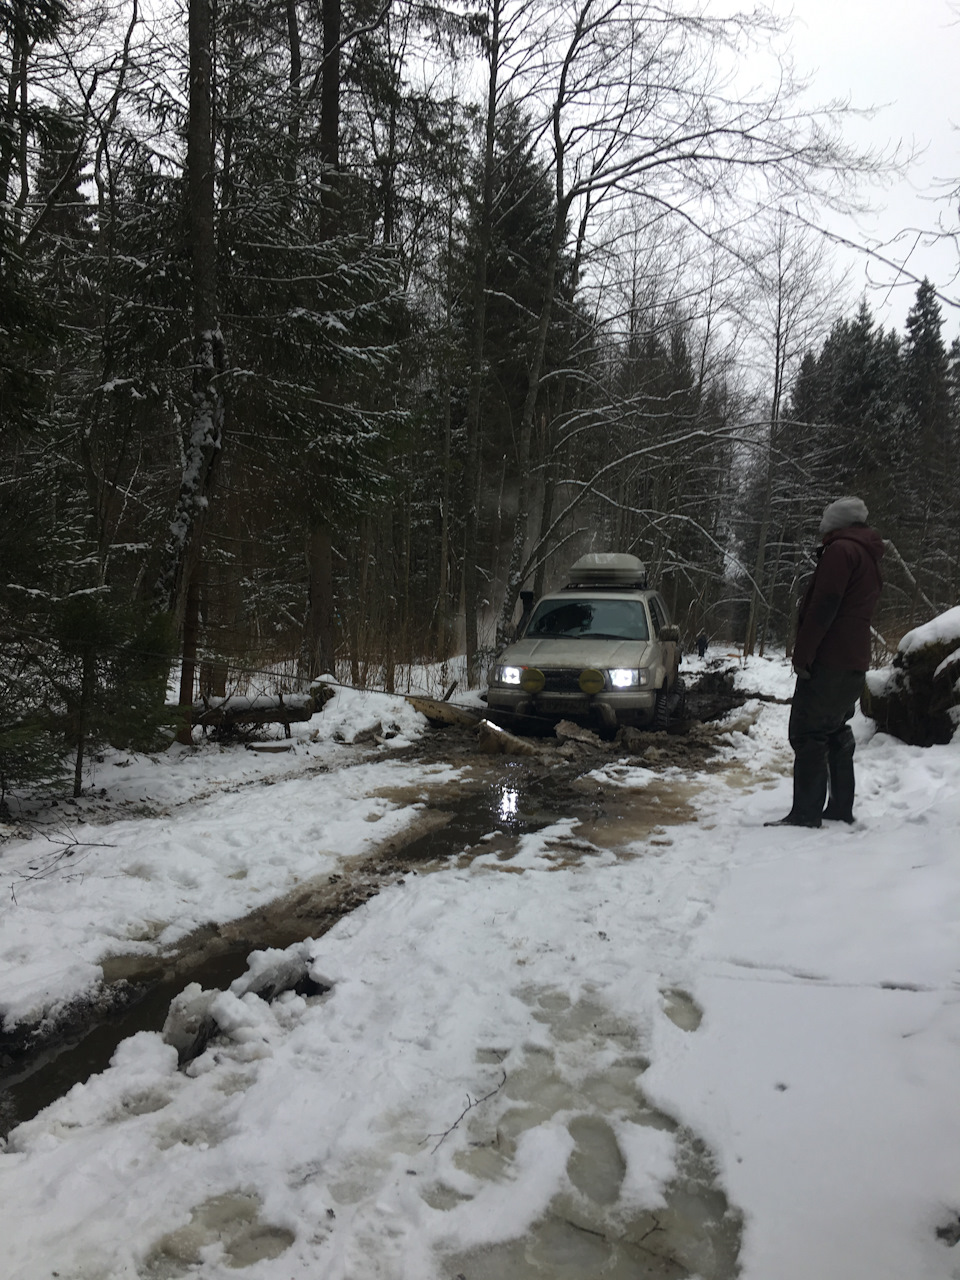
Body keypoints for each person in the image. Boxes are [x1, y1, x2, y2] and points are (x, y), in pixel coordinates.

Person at [767, 496, 884, 828]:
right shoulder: (869, 556)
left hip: (830, 659)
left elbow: (825, 606)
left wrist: (804, 654)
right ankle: (840, 806)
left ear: (835, 524)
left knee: (807, 733)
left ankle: (806, 813)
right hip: (854, 659)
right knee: (834, 729)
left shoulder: (840, 552)